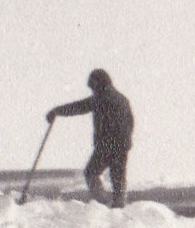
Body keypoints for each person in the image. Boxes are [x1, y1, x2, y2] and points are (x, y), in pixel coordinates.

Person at [48, 68, 135, 208]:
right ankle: (118, 207)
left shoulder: (102, 98)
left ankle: (104, 203)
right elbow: (131, 122)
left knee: (91, 173)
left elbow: (79, 107)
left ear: (98, 83)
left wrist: (57, 111)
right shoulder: (121, 99)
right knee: (118, 179)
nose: (92, 91)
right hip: (122, 145)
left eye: (93, 86)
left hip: (107, 145)